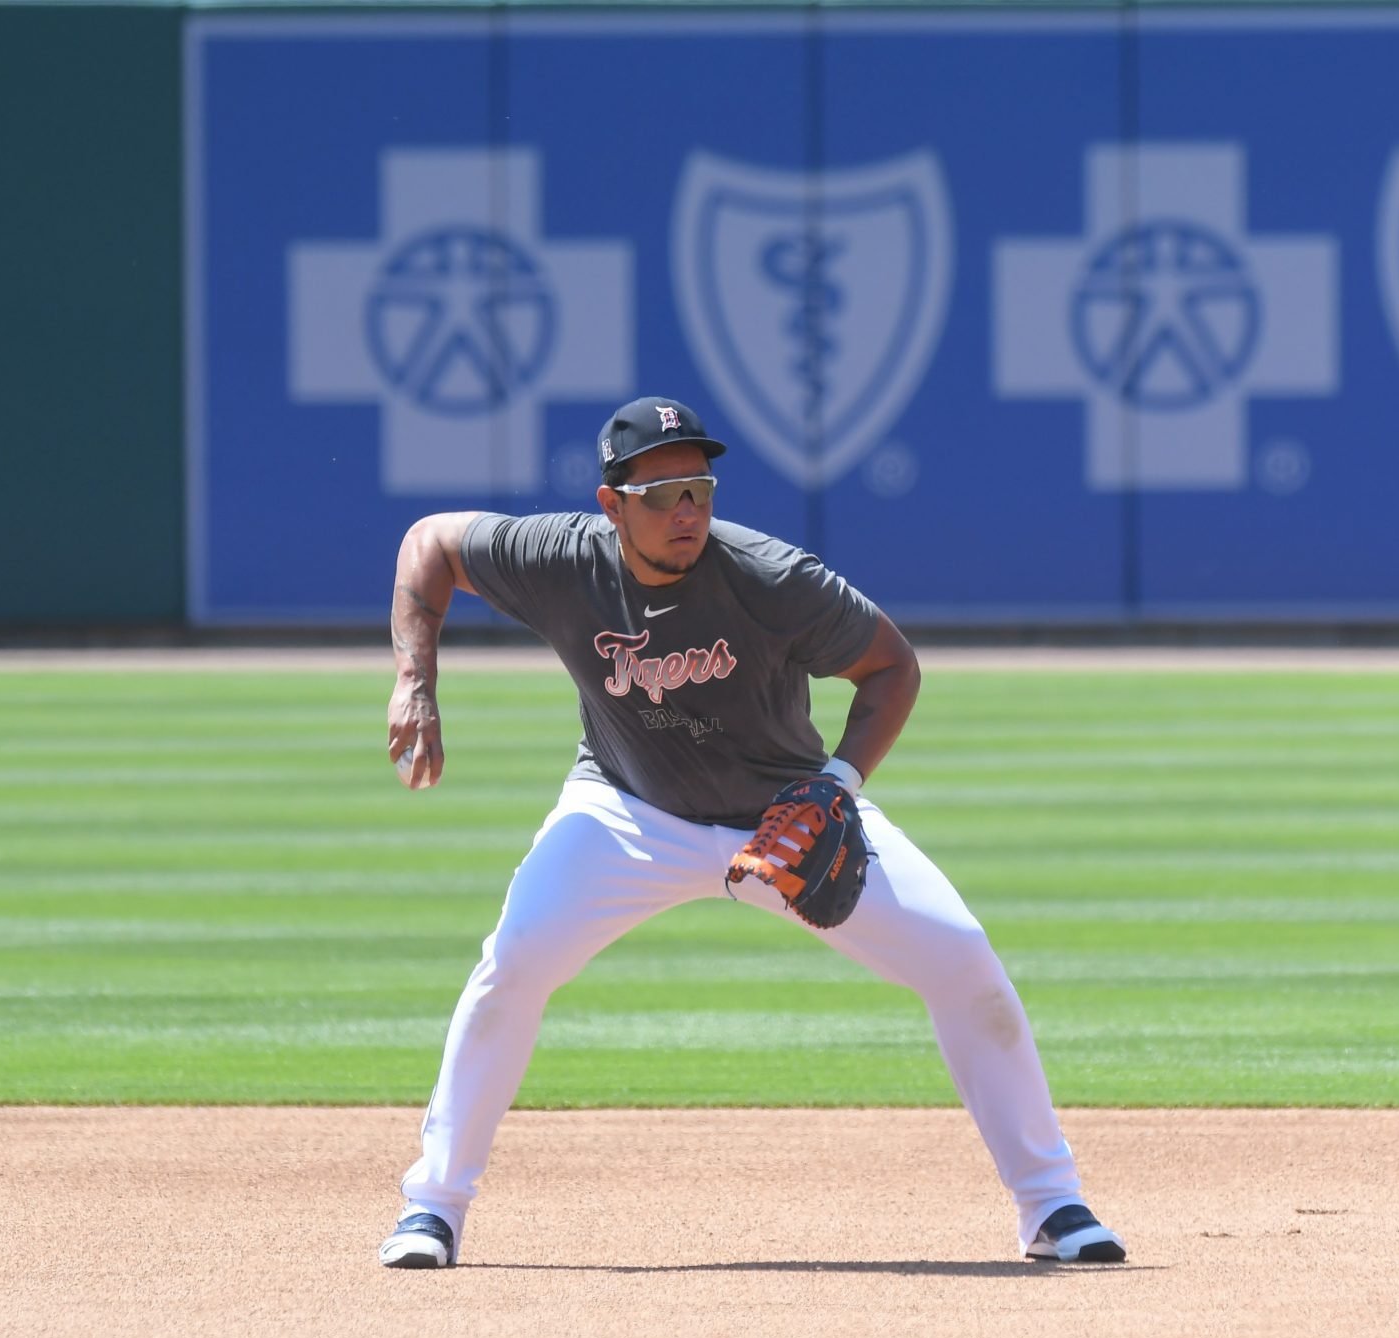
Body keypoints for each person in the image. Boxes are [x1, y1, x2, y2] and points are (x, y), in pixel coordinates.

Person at [377, 395, 1125, 1270]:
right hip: (626, 812)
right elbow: (429, 543)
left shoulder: (770, 575)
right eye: (662, 495)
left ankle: (1052, 1204)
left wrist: (837, 786)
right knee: (516, 961)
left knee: (962, 958)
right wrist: (413, 680)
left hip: (785, 816)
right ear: (611, 504)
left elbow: (894, 666)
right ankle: (433, 1206)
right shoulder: (559, 560)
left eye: (700, 487)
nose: (687, 509)